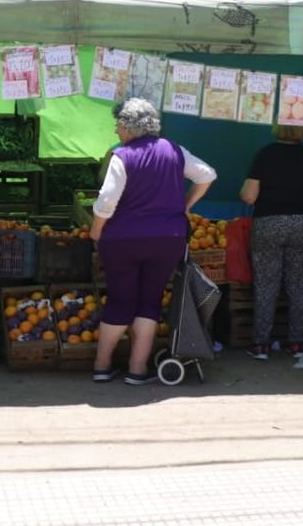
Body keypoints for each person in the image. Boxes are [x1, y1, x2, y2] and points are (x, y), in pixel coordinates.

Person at [89, 98, 216, 384]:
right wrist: (186, 204)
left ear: (128, 126)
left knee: (120, 300)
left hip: (122, 240)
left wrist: (96, 230)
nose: (116, 132)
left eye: (118, 125)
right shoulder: (174, 150)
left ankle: (101, 365)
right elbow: (208, 175)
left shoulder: (122, 155)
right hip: (166, 239)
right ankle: (137, 369)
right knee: (149, 301)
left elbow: (106, 201)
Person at [239, 124, 303, 360]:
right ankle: (297, 344)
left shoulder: (265, 154)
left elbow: (249, 195)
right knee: (299, 285)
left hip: (269, 222)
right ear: (302, 131)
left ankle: (260, 345)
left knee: (266, 284)